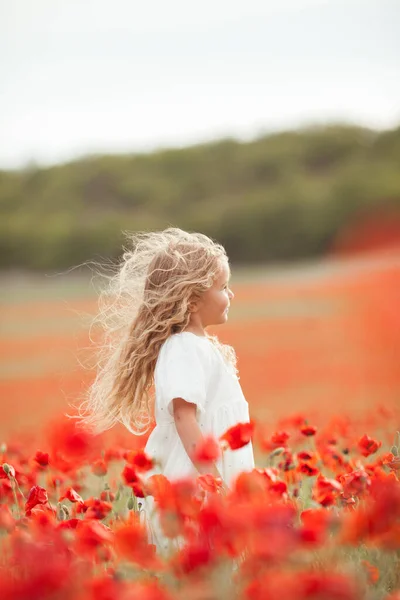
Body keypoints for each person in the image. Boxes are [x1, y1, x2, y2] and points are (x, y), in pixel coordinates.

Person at [74, 227, 254, 553]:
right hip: (195, 480)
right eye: (224, 287)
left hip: (204, 474)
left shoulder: (199, 345)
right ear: (194, 297)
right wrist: (211, 481)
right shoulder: (183, 347)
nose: (231, 294)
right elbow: (185, 418)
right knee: (197, 555)